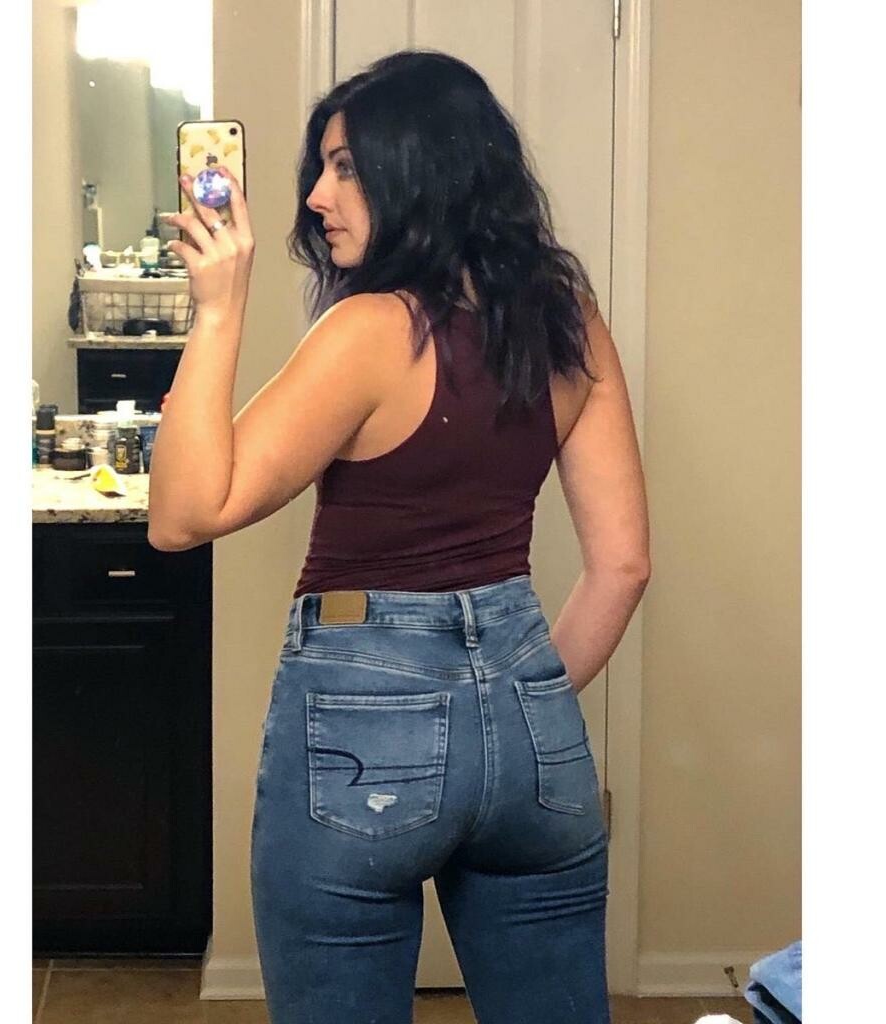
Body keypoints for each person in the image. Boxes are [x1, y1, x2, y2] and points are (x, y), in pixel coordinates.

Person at [148, 49, 649, 1024]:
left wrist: (217, 309)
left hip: (360, 730)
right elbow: (623, 566)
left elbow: (182, 514)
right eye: (321, 167)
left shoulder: (370, 330)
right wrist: (507, 701)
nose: (315, 195)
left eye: (346, 167)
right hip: (535, 734)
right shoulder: (569, 321)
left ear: (425, 169)